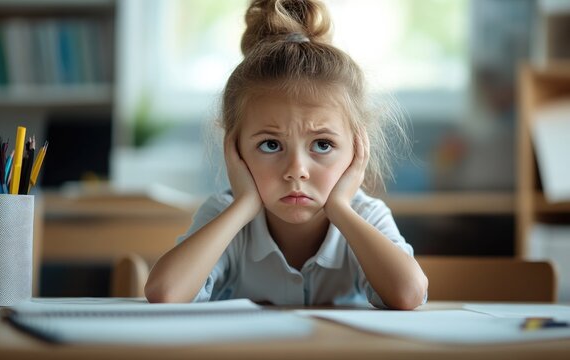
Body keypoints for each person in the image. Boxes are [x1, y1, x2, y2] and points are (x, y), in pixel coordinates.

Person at [145, 0, 428, 309]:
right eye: (271, 145)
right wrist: (244, 206)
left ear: (358, 150)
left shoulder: (364, 216)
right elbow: (165, 292)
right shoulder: (227, 214)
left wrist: (340, 210)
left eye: (322, 145)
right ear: (235, 149)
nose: (296, 170)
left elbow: (409, 293)